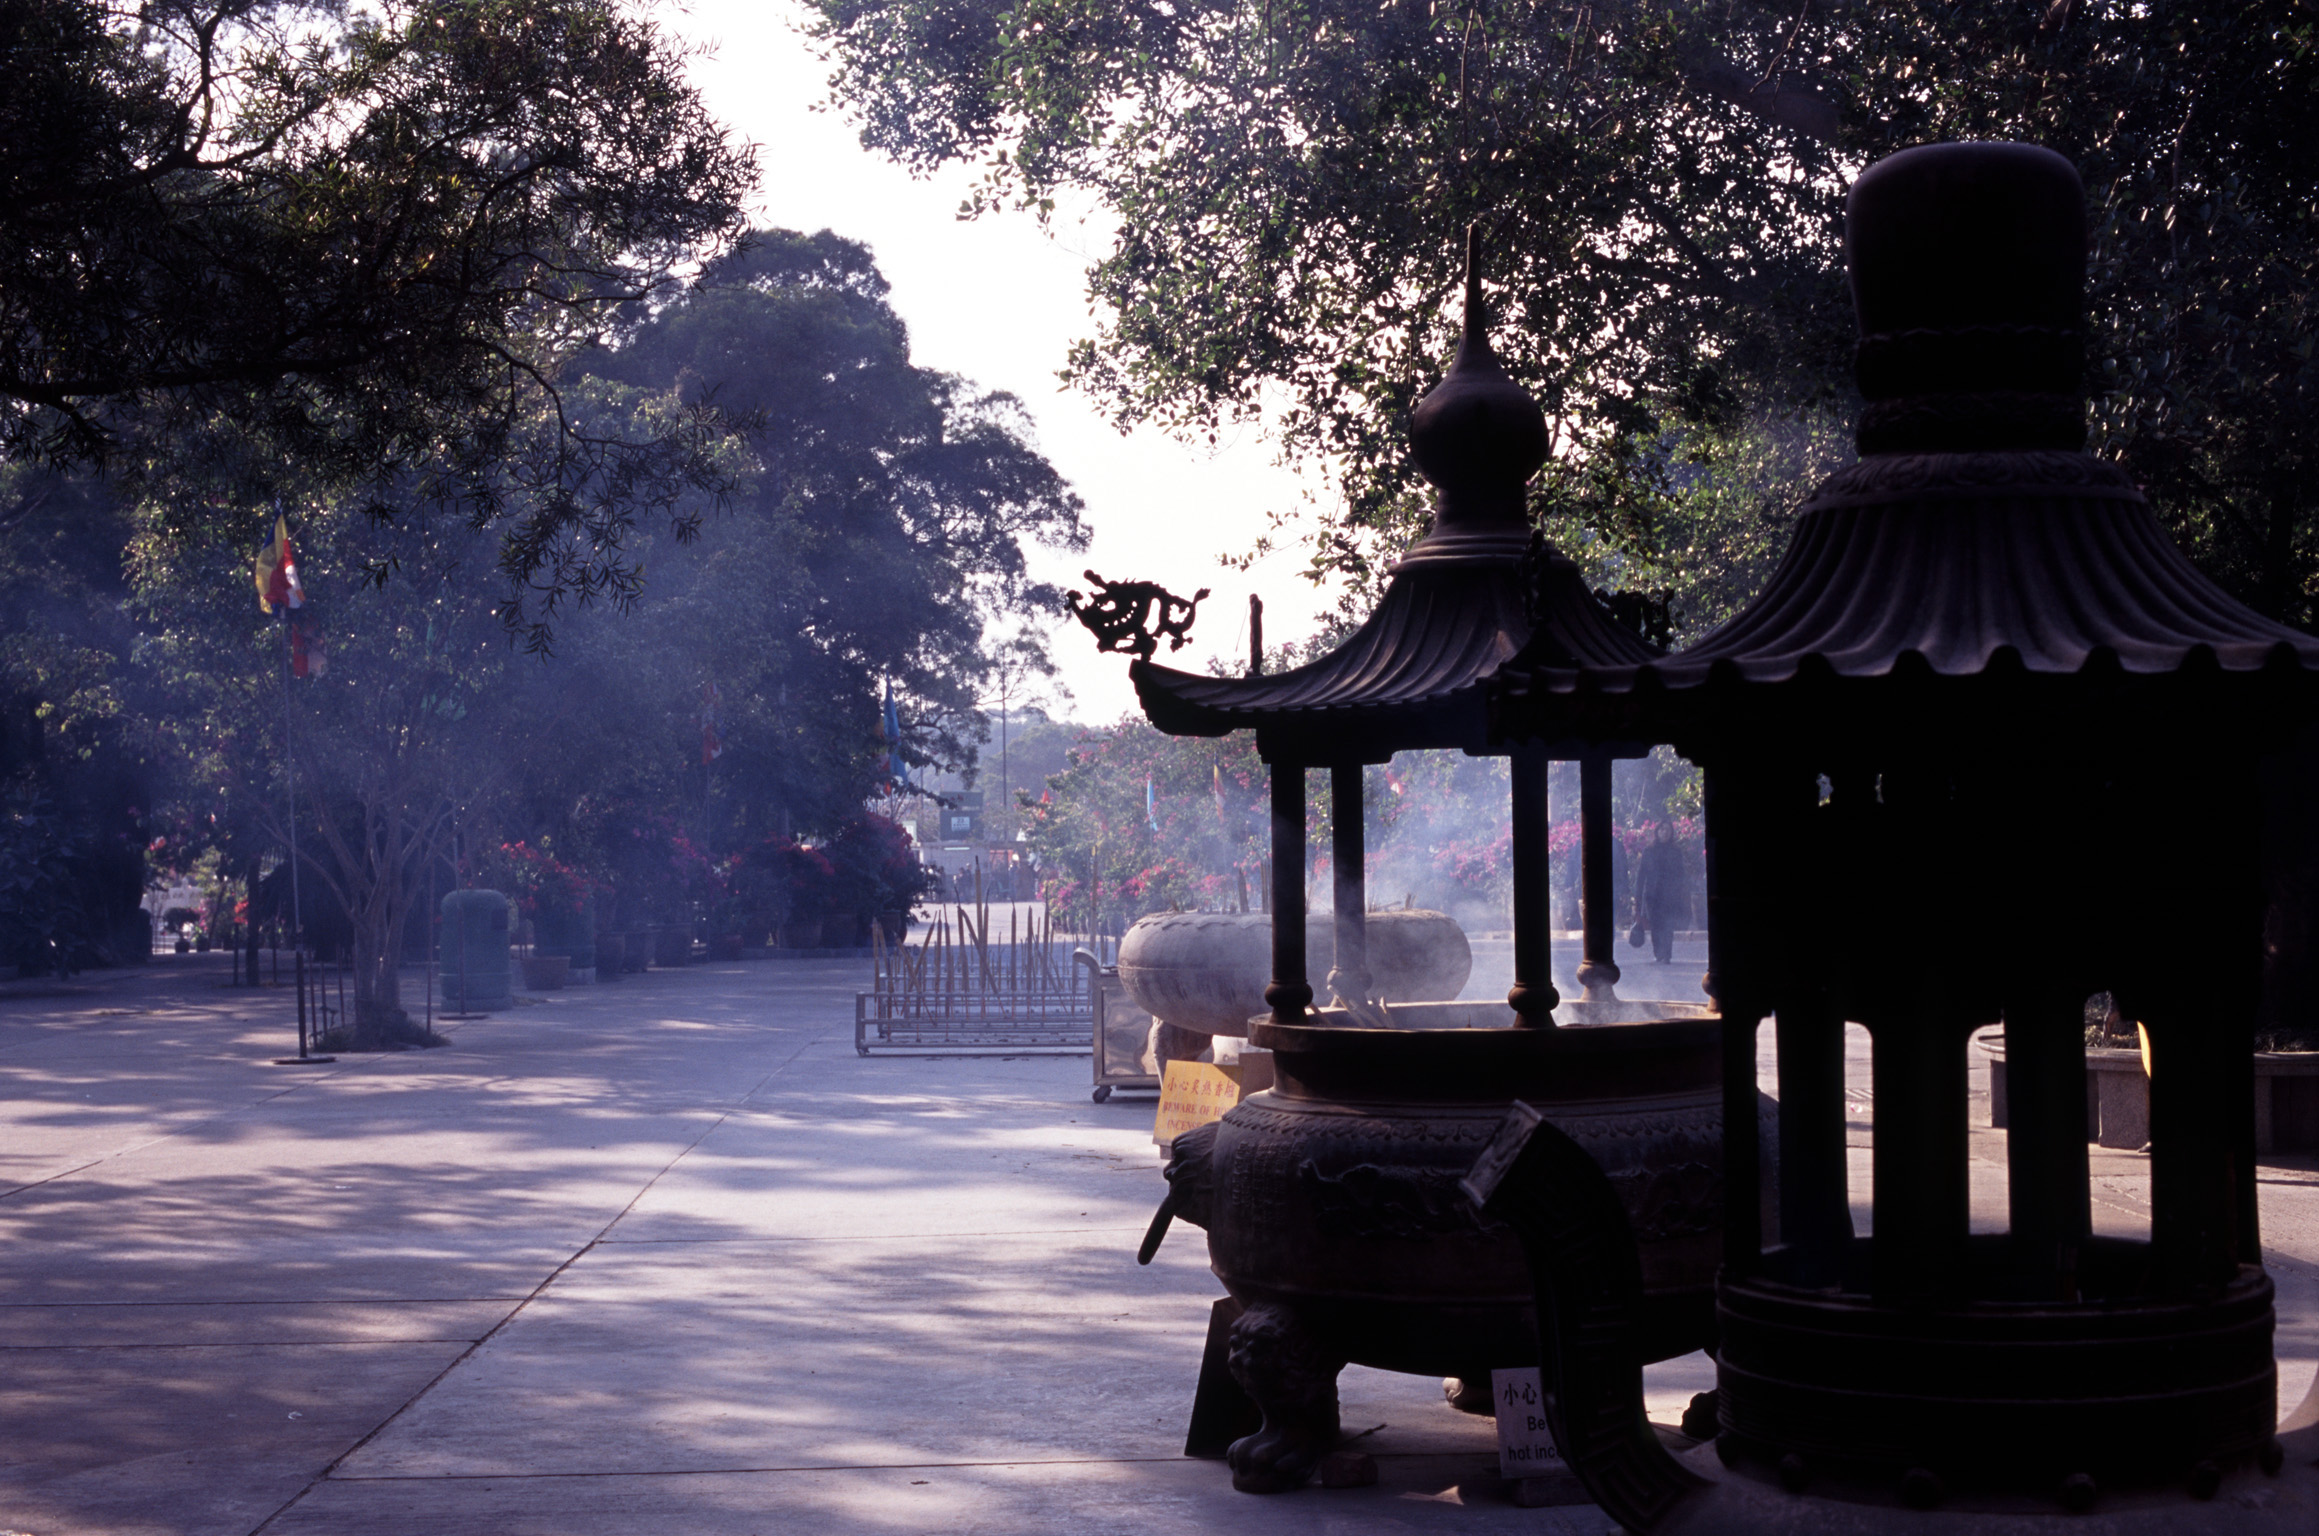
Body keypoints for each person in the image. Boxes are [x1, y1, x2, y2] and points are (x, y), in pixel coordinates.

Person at [1632, 821, 1689, 964]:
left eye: (1667, 830)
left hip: (1670, 895)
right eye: (1662, 829)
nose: (1664, 832)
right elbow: (1641, 876)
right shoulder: (1649, 851)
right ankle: (1658, 953)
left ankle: (1667, 954)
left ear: (1671, 833)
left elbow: (1681, 875)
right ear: (1657, 832)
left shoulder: (1676, 852)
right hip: (1652, 896)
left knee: (1668, 926)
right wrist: (1637, 897)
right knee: (1656, 925)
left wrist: (1681, 893)